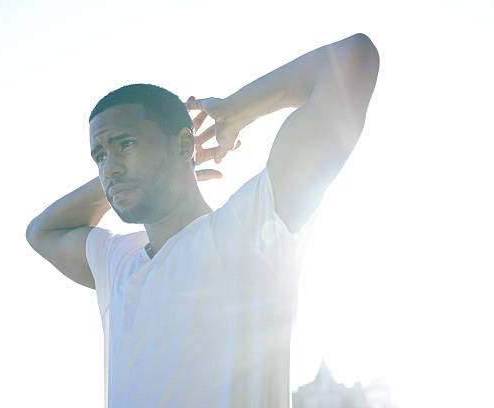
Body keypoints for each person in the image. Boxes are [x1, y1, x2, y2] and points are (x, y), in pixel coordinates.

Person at [26, 33, 379, 407]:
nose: (108, 168)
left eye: (125, 144)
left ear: (182, 144)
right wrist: (123, 173)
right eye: (99, 156)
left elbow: (351, 60)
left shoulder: (249, 225)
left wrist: (237, 109)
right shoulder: (116, 264)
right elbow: (41, 231)